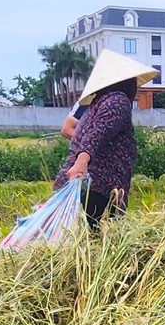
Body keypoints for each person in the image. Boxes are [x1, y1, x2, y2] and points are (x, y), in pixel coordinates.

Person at [58, 50, 154, 229]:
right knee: (101, 239)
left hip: (87, 184)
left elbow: (89, 135)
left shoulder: (97, 104)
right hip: (101, 186)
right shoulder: (118, 101)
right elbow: (97, 134)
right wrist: (82, 161)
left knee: (82, 239)